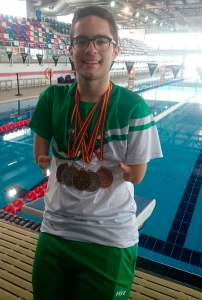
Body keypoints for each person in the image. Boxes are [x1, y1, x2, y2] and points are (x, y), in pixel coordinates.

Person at [30, 5, 163, 300]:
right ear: (71, 49)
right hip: (56, 230)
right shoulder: (51, 98)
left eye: (101, 40)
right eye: (82, 40)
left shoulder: (134, 110)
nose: (91, 49)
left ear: (114, 50)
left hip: (110, 239)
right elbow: (40, 152)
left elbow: (137, 176)